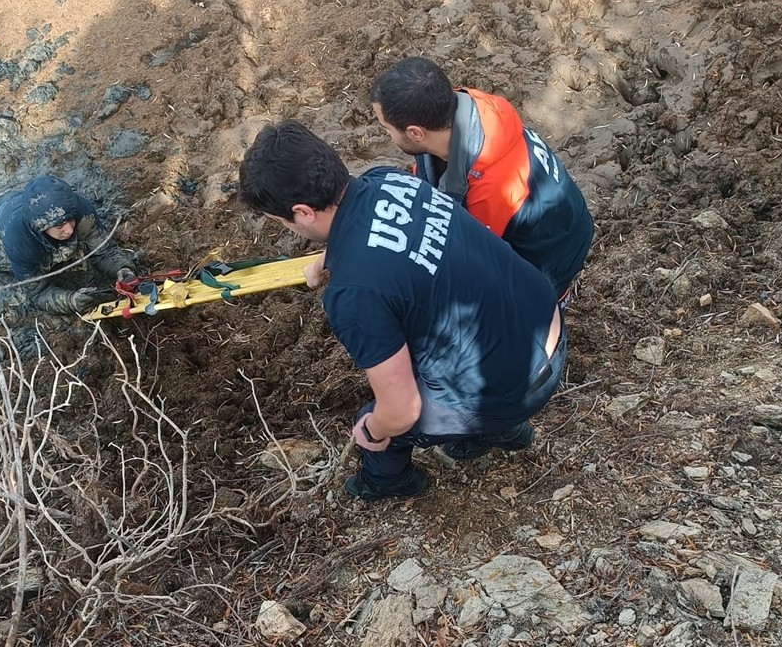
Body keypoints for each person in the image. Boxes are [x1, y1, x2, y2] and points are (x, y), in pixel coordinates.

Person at [238, 121, 565, 501]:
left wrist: (373, 430)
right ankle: (499, 428)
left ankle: (389, 481)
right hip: (546, 328)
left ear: (302, 212)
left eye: (282, 221)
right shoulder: (388, 182)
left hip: (517, 386)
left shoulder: (352, 295)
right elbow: (386, 238)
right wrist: (328, 258)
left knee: (378, 418)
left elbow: (403, 409)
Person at [369, 56, 593, 301]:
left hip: (552, 254)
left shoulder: (487, 192)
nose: (387, 135)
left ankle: (555, 305)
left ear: (415, 133)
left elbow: (469, 263)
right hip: (552, 211)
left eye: (386, 128)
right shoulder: (458, 105)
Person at [0, 175, 136, 314]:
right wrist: (71, 301)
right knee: (6, 265)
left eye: (70, 220)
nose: (69, 230)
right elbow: (37, 294)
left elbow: (105, 251)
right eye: (59, 226)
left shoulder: (79, 208)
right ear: (41, 228)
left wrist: (123, 268)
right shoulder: (19, 241)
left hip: (23, 200)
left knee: (74, 245)